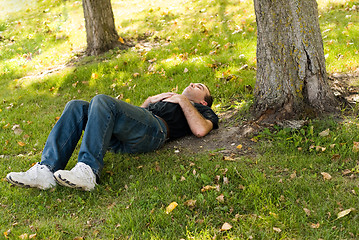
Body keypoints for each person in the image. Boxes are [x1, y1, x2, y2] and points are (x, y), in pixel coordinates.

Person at [6, 83, 219, 191]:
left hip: (156, 132)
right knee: (76, 107)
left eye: (199, 87)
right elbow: (127, 116)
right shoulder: (164, 99)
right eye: (191, 83)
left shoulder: (202, 111)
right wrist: (149, 100)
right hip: (122, 136)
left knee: (101, 100)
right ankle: (46, 170)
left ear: (203, 102)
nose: (192, 85)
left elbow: (201, 130)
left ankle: (88, 171)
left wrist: (182, 100)